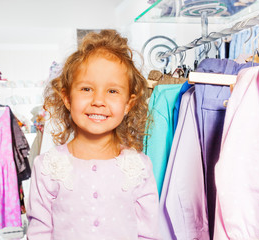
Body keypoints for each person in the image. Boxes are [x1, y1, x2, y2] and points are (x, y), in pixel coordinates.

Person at [26, 29, 162, 240]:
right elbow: (39, 233)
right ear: (67, 98)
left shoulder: (139, 167)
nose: (98, 101)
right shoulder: (47, 166)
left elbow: (149, 233)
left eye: (112, 91)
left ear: (129, 103)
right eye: (87, 89)